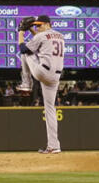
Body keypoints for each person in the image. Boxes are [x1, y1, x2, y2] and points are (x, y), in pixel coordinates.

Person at [16, 15, 65, 154]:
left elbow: (24, 48)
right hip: (55, 77)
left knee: (24, 54)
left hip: (42, 72)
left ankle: (26, 83)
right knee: (50, 109)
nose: (38, 27)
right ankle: (54, 146)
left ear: (47, 24)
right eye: (36, 26)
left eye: (40, 25)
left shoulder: (41, 36)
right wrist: (31, 29)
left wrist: (21, 31)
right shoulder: (60, 35)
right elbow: (43, 39)